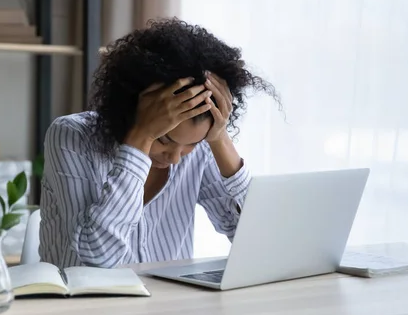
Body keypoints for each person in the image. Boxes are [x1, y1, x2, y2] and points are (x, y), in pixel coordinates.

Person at [39, 18, 278, 269]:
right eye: (164, 139)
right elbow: (99, 257)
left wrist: (219, 139)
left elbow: (259, 243)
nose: (176, 158)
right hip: (85, 305)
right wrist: (141, 137)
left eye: (192, 144)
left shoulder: (203, 147)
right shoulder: (71, 137)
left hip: (169, 306)